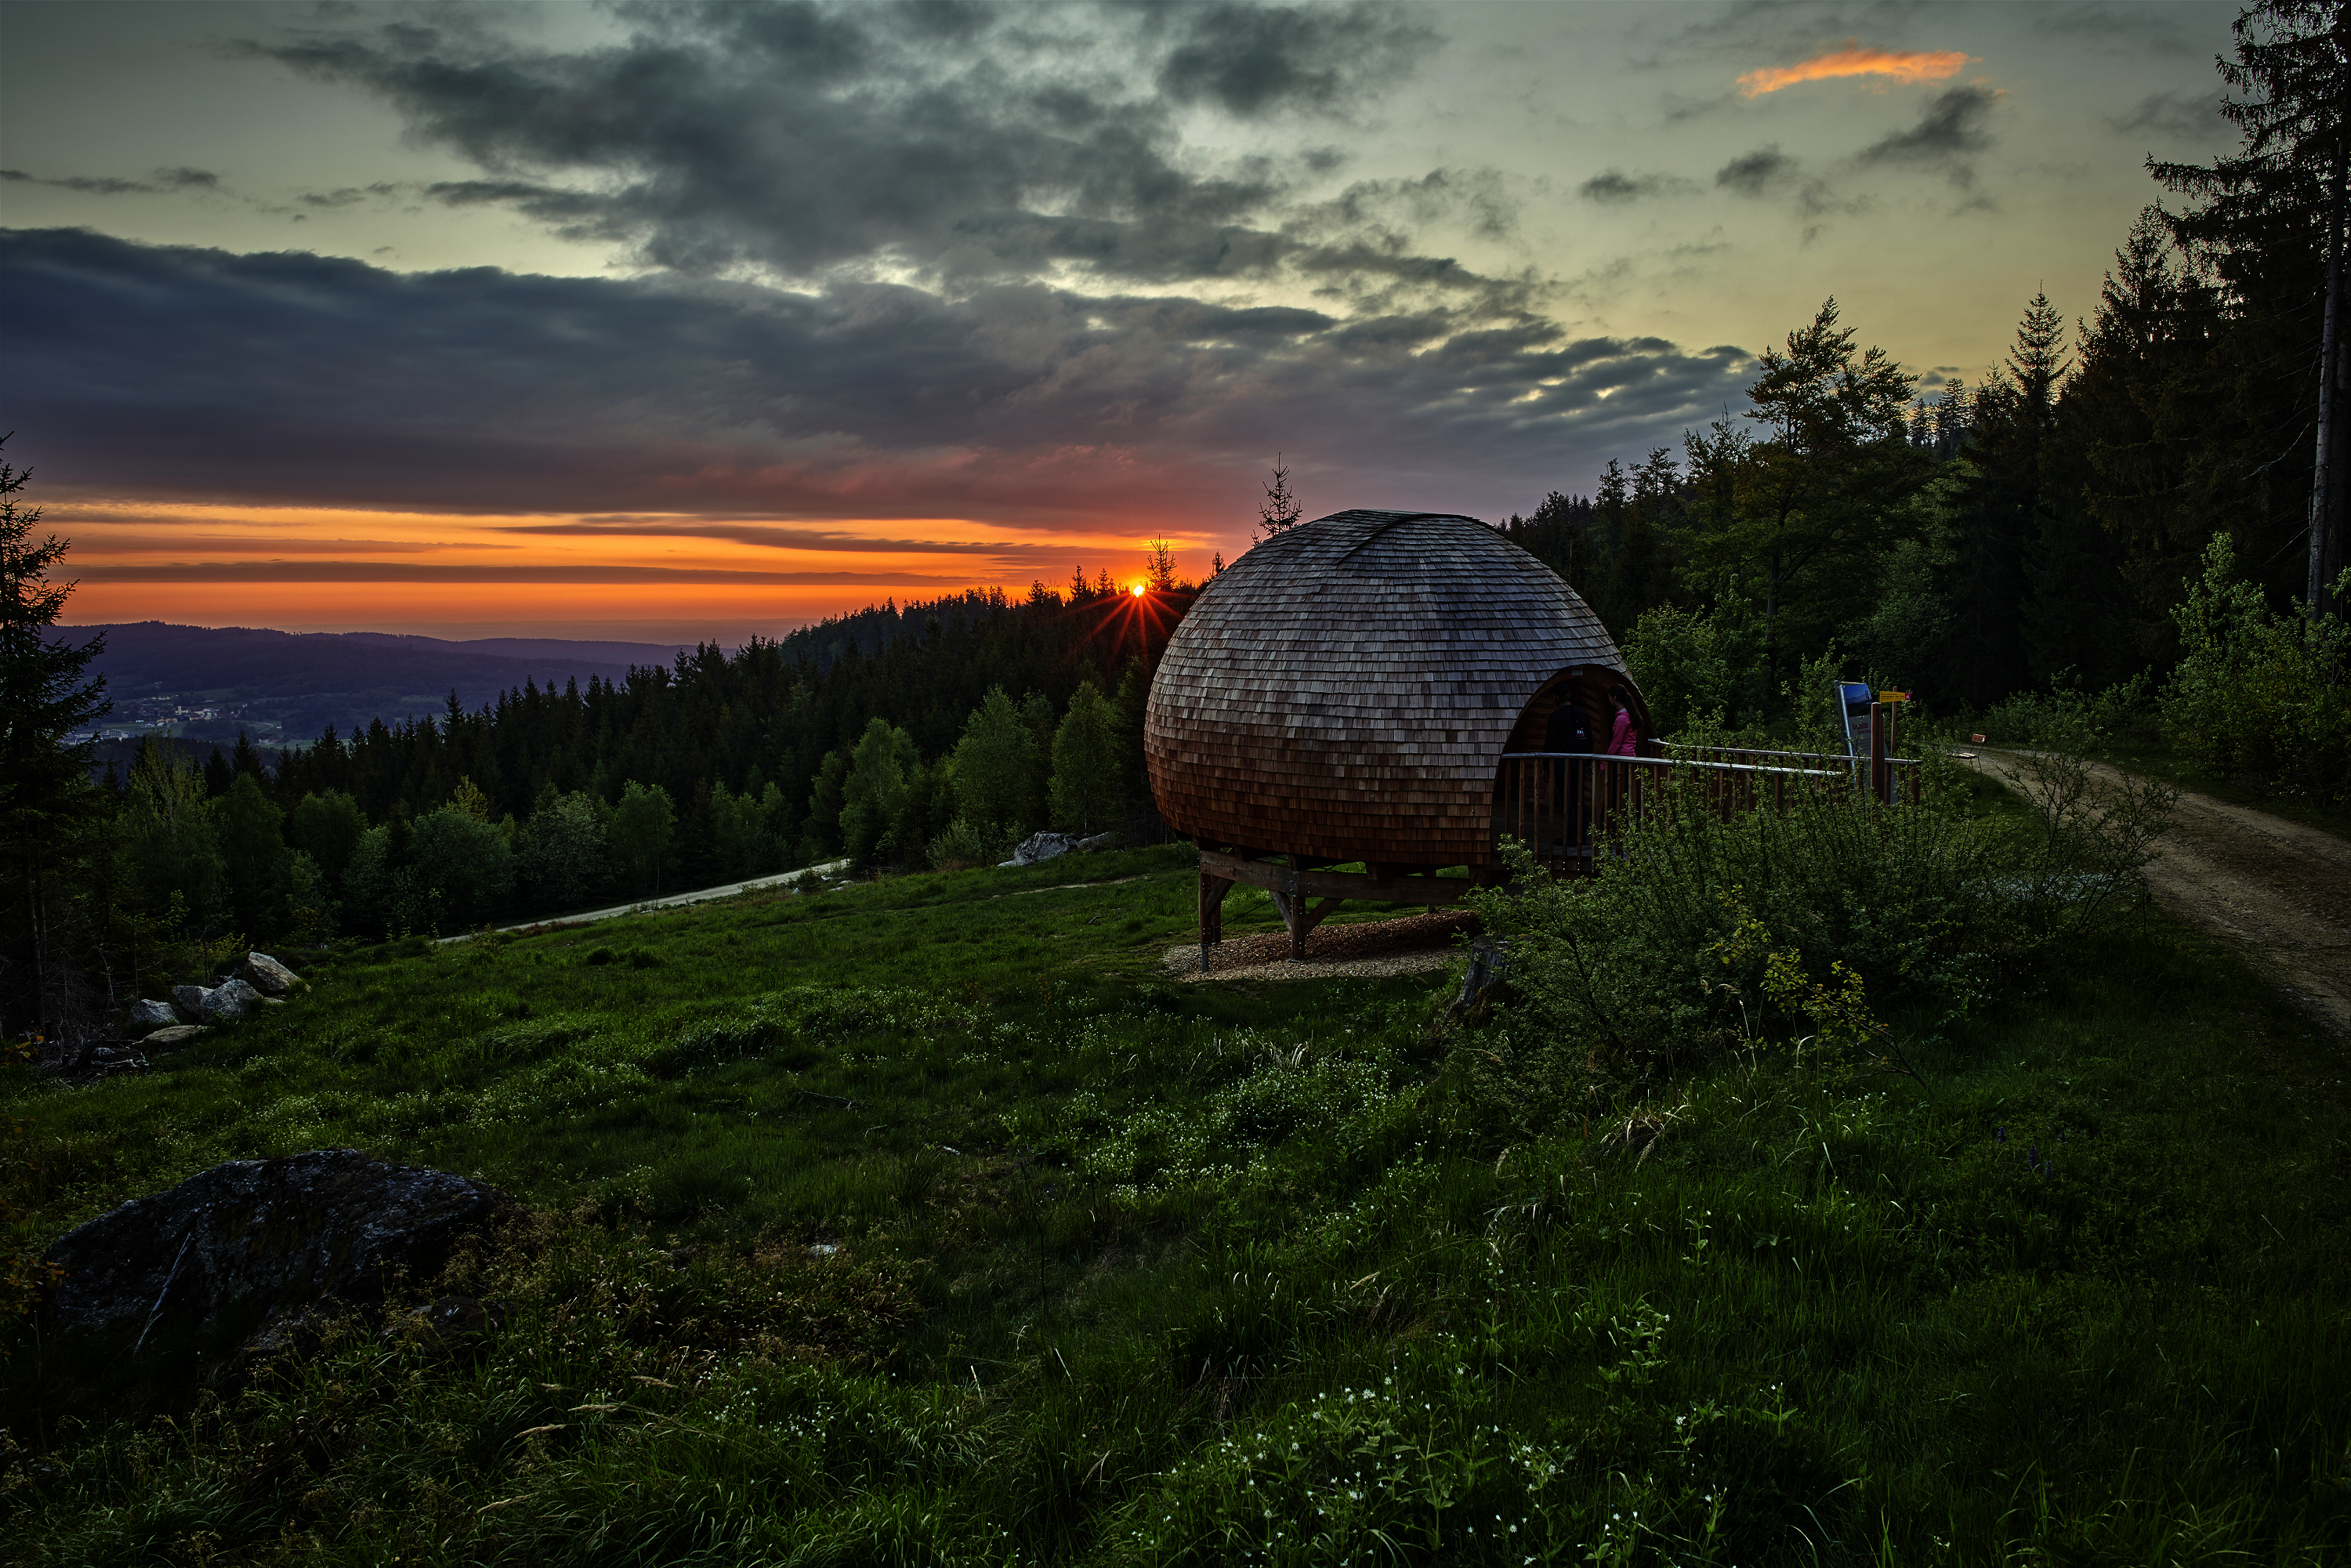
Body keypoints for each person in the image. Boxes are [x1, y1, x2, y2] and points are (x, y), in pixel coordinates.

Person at [1606, 684, 1640, 757]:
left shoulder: (1623, 718)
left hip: (1624, 756)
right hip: (1628, 755)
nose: (1609, 698)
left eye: (1609, 696)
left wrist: (1605, 762)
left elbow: (1616, 742)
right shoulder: (1627, 715)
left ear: (1614, 697)